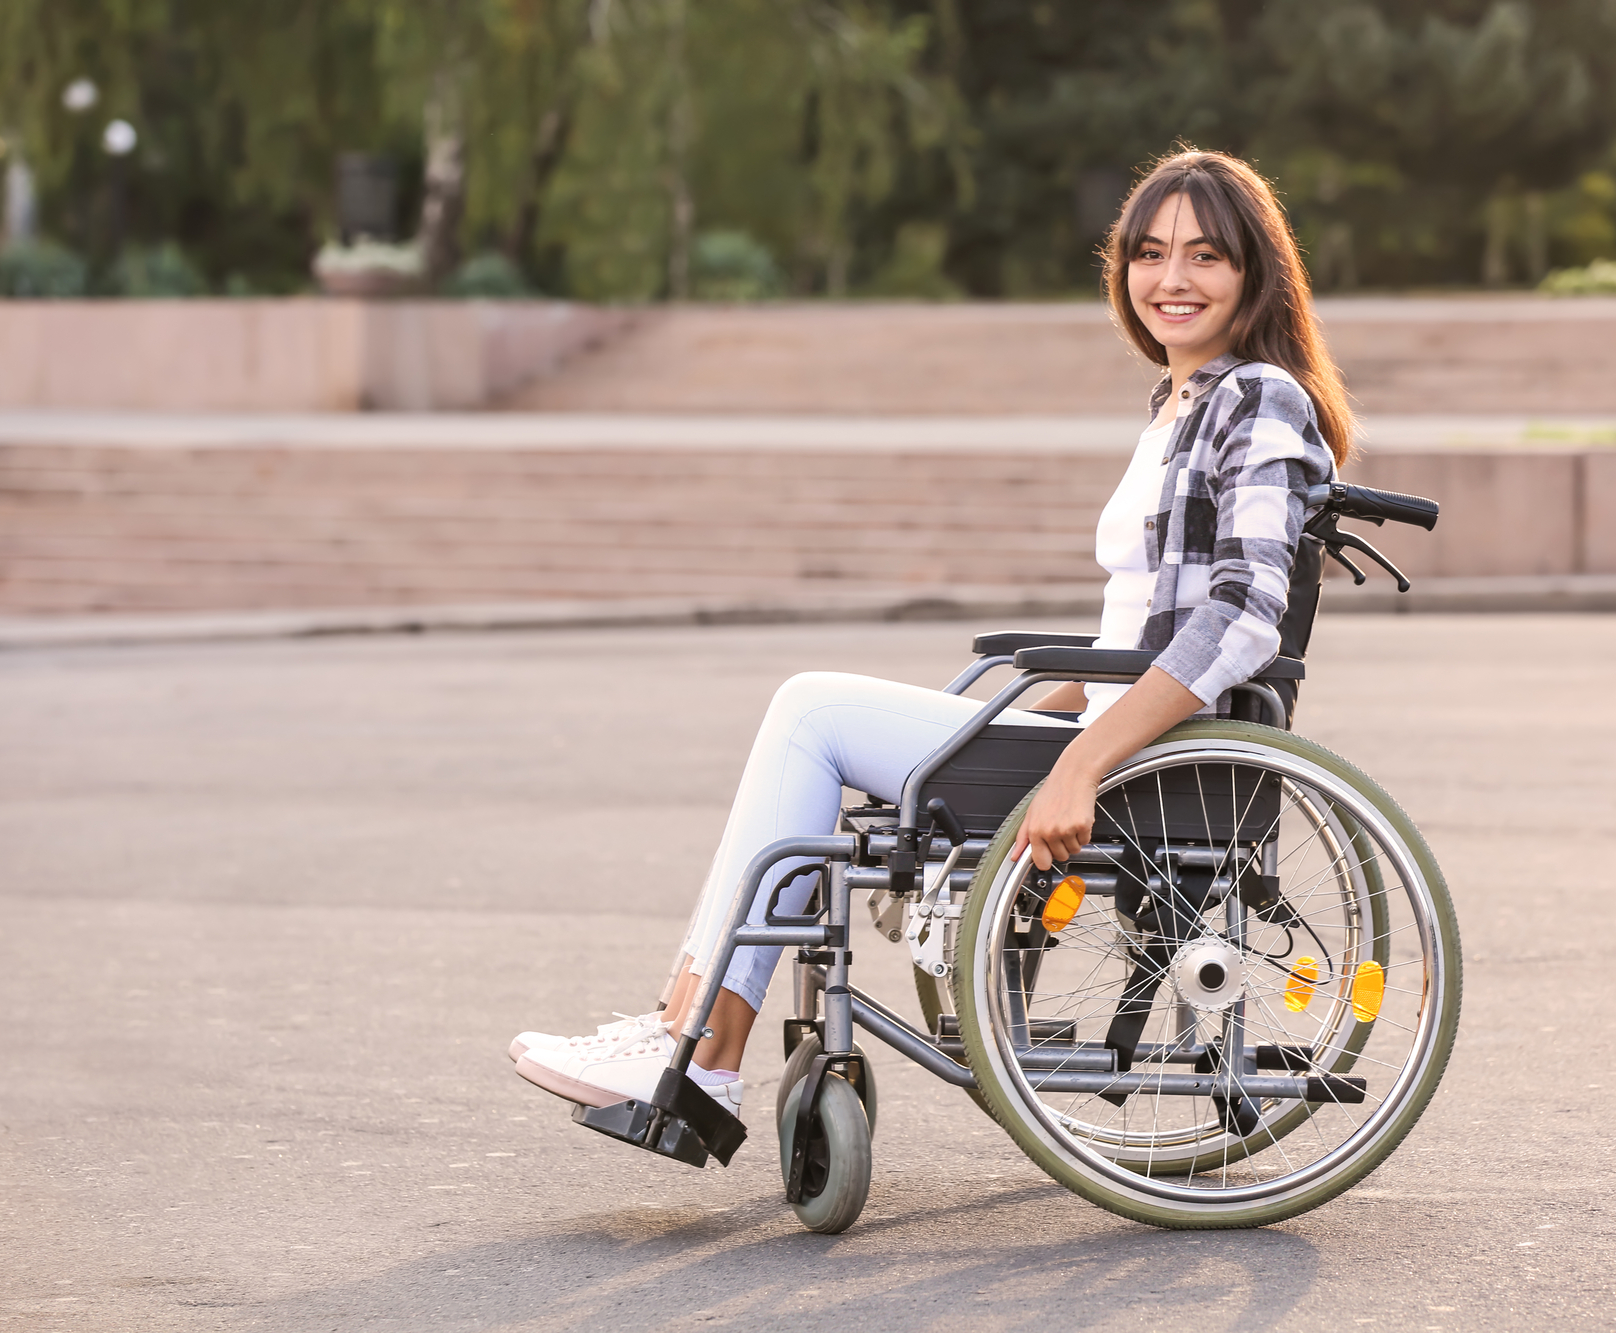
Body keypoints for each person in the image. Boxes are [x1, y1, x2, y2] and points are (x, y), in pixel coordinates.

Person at [508, 148, 1357, 1120]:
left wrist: (1080, 762)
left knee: (810, 713)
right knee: (816, 719)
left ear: (1254, 272)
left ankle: (698, 1047)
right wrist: (1050, 695)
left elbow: (1239, 618)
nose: (1170, 279)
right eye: (1148, 252)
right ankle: (685, 1027)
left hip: (1144, 759)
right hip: (1115, 727)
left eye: (1204, 255)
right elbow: (1145, 621)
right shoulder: (1182, 402)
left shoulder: (1257, 399)